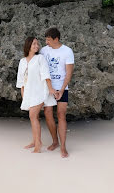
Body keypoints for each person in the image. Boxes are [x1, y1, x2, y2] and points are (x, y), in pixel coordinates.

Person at [16, 37, 57, 153]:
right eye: (34, 44)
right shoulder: (22, 61)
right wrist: (25, 98)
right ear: (28, 45)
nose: (37, 46)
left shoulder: (40, 58)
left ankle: (38, 145)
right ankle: (35, 141)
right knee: (33, 117)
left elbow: (46, 75)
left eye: (37, 44)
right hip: (30, 93)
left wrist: (51, 90)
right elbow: (21, 82)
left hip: (41, 91)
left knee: (33, 116)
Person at [40, 28, 74, 158]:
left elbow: (69, 73)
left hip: (62, 87)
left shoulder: (67, 51)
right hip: (48, 87)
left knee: (61, 115)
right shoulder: (43, 51)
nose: (46, 42)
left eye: (48, 39)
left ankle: (63, 147)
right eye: (46, 39)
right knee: (48, 113)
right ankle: (55, 141)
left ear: (56, 39)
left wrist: (61, 89)